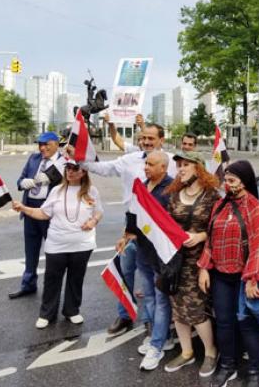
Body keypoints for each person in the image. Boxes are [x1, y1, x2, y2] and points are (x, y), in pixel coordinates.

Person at [80, 123, 173, 335]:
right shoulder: (129, 160)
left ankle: (152, 321)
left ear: (161, 140)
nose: (146, 142)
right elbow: (103, 168)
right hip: (132, 226)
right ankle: (125, 315)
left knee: (153, 278)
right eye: (143, 138)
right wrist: (79, 160)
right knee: (125, 270)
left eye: (151, 138)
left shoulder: (171, 162)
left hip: (159, 231)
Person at [198, 160, 259, 387]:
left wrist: (252, 278)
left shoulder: (255, 207)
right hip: (221, 276)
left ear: (244, 181)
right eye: (225, 180)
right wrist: (204, 268)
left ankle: (256, 371)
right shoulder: (220, 205)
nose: (226, 184)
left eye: (231, 180)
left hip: (243, 277)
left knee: (247, 324)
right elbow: (210, 239)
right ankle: (227, 366)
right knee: (224, 323)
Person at [13, 160, 103, 328]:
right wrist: (24, 208)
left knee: (76, 279)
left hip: (83, 244)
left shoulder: (92, 191)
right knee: (52, 279)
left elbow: (98, 212)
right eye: (67, 168)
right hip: (57, 243)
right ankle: (47, 314)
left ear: (83, 172)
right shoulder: (57, 190)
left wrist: (93, 221)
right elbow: (43, 213)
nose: (70, 171)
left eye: (74, 168)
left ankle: (72, 311)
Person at [163, 151, 220, 377]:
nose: (181, 169)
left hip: (200, 261)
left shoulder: (212, 196)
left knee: (196, 309)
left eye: (186, 164)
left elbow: (218, 228)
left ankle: (210, 352)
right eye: (179, 165)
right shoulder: (174, 195)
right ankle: (187, 352)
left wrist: (200, 236)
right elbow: (166, 224)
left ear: (199, 168)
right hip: (176, 261)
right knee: (177, 308)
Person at [121, 150, 175, 371]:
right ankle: (160, 336)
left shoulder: (172, 190)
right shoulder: (142, 186)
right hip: (142, 251)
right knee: (150, 297)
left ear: (163, 167)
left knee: (161, 300)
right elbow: (133, 214)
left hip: (161, 256)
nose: (146, 167)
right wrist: (126, 235)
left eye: (151, 164)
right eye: (146, 164)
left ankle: (157, 346)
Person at [10, 131, 67, 299]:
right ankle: (28, 284)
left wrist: (53, 178)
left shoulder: (64, 161)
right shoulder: (34, 158)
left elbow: (70, 183)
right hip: (30, 208)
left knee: (53, 253)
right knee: (31, 250)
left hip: (51, 212)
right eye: (40, 144)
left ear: (56, 144)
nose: (42, 148)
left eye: (46, 144)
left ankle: (51, 289)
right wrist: (22, 183)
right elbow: (20, 180)